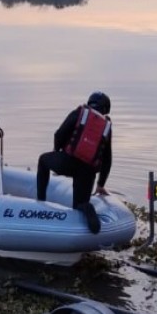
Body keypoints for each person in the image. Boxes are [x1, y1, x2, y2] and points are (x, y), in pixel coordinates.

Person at [36, 91, 112, 234]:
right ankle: (86, 207)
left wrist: (57, 151)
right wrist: (101, 184)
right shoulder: (107, 126)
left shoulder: (80, 113)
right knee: (79, 204)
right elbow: (107, 159)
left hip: (67, 162)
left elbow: (59, 134)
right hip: (88, 171)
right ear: (106, 109)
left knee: (43, 160)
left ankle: (41, 202)